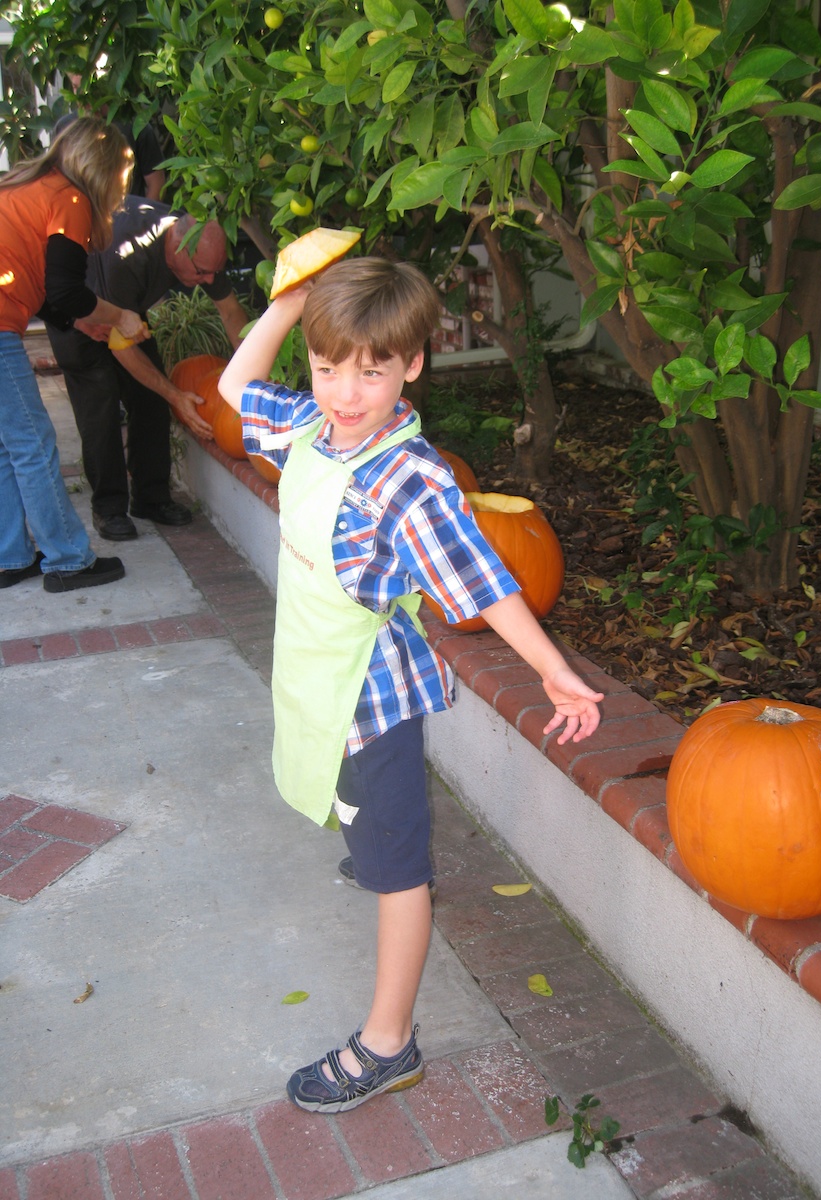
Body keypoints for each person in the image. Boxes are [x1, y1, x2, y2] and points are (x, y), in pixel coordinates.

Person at [217, 256, 605, 1114]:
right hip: (316, 690)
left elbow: (489, 584)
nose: (347, 393)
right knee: (367, 834)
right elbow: (238, 383)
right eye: (327, 369)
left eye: (372, 370)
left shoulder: (412, 478)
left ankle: (388, 1045)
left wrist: (553, 672)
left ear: (413, 364)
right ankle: (373, 850)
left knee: (400, 877)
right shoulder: (311, 432)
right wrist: (284, 304)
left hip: (370, 707)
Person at [0, 116, 149, 593]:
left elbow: (39, 283)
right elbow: (66, 289)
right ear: (105, 170)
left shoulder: (31, 187)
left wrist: (80, 319)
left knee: (6, 446)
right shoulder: (70, 197)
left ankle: (10, 556)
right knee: (32, 443)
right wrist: (120, 315)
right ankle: (67, 559)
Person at [47, 198, 250, 540]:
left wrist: (253, 379)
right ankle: (109, 508)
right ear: (176, 246)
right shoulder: (129, 256)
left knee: (151, 400)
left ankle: (151, 497)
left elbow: (230, 312)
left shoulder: (202, 250)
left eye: (214, 271)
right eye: (202, 272)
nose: (208, 279)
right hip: (79, 312)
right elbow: (120, 346)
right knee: (101, 404)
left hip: (125, 311)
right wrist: (173, 393)